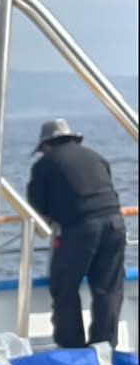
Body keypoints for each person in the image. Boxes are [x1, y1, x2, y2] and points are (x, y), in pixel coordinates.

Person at [26, 118, 126, 348]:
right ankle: (104, 347)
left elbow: (37, 204)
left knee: (65, 287)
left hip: (80, 228)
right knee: (108, 288)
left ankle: (72, 348)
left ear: (46, 145)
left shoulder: (45, 164)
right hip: (115, 223)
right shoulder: (95, 156)